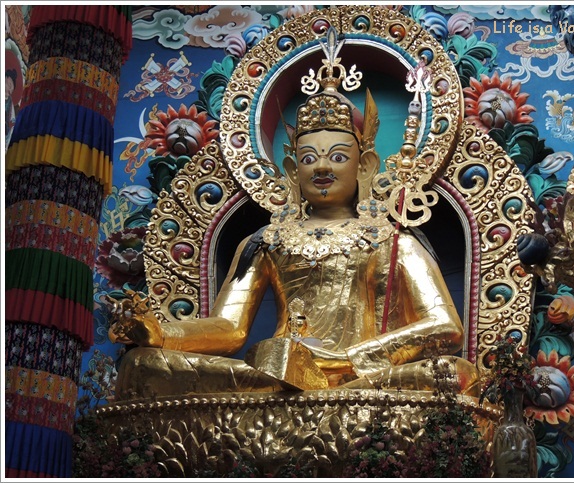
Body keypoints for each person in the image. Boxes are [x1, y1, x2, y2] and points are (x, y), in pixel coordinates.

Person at [109, 35, 479, 400]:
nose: (322, 167)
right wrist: (161, 334)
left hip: (361, 379)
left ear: (365, 166)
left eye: (338, 157)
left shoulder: (392, 239)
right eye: (308, 158)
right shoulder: (265, 242)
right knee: (141, 365)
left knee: (454, 375)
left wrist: (349, 359)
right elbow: (230, 329)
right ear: (291, 170)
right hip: (280, 376)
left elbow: (445, 326)